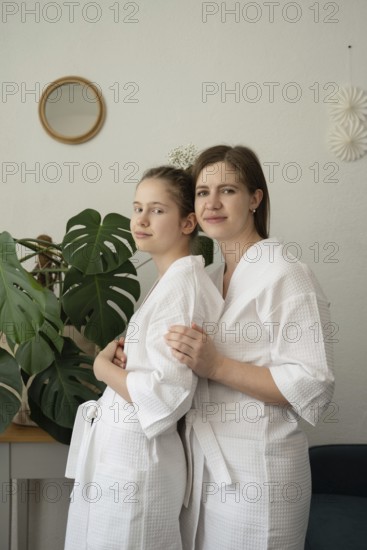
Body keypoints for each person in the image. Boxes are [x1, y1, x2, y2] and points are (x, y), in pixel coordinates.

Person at [163, 145, 335, 550]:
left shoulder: (286, 273)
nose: (212, 203)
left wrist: (217, 365)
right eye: (203, 192)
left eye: (228, 190)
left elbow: (313, 383)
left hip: (262, 473)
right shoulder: (208, 276)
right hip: (205, 472)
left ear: (255, 198)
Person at [64, 166, 224, 550]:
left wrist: (102, 369)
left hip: (138, 461)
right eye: (137, 208)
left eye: (156, 210)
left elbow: (166, 396)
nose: (141, 220)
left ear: (188, 222)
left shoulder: (183, 289)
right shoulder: (169, 284)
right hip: (123, 456)